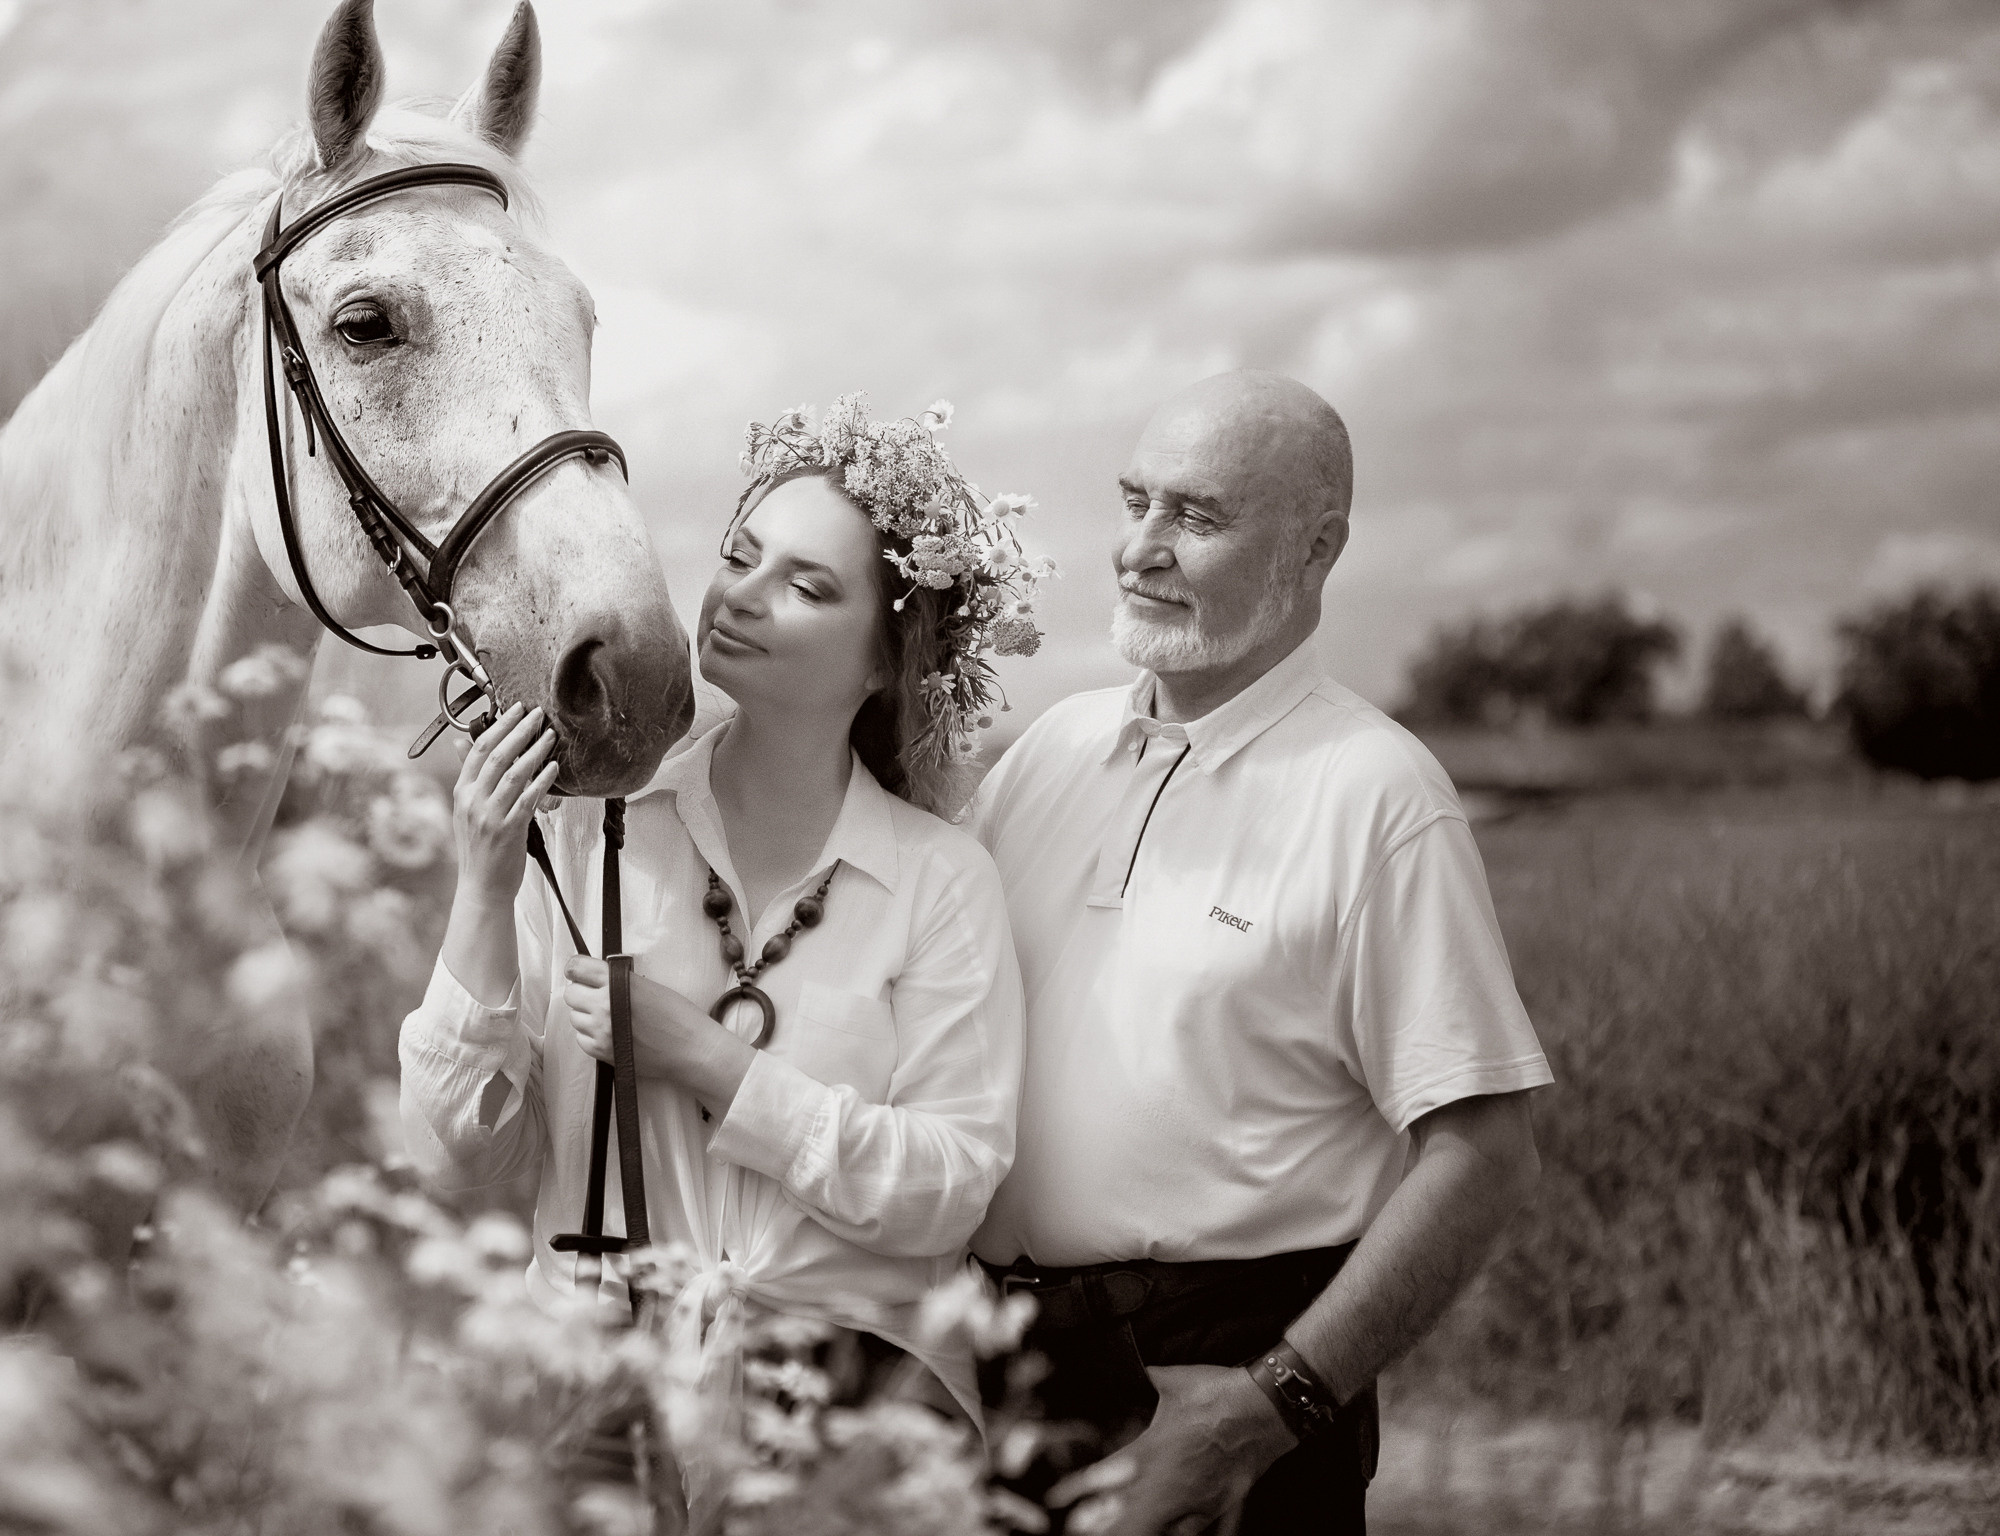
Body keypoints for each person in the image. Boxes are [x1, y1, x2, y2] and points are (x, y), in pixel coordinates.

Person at [395, 395, 1039, 1466]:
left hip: (850, 1408)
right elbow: (451, 1155)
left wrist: (707, 1060)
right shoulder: (594, 833)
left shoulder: (941, 883)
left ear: (887, 658)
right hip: (597, 1395)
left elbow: (949, 1185)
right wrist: (482, 882)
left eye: (808, 585)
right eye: (741, 555)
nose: (743, 594)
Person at [968, 371, 1552, 1536]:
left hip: (1220, 1377)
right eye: (1135, 500)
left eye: (1196, 515)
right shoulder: (1047, 752)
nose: (1142, 547)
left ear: (1317, 546)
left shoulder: (1379, 795)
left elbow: (1482, 1155)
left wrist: (1269, 1404)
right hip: (999, 1367)